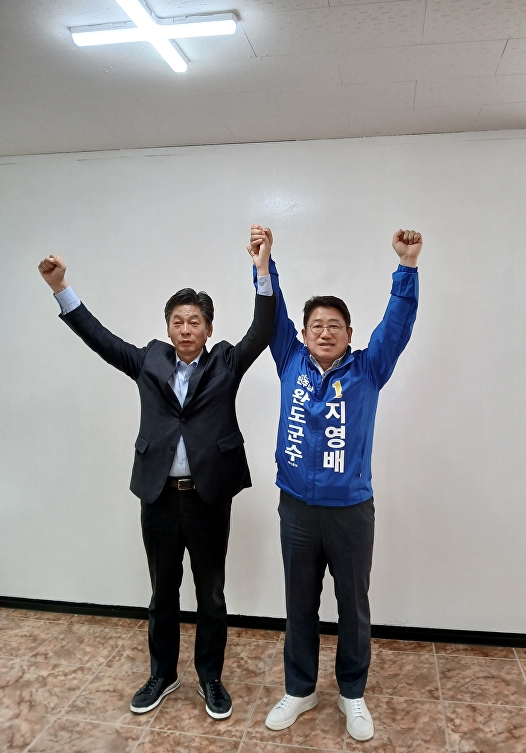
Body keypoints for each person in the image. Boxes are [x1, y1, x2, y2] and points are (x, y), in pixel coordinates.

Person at [38, 236, 275, 719]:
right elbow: (100, 339)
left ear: (209, 328)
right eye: (178, 321)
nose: (186, 329)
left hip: (209, 497)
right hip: (159, 496)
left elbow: (264, 329)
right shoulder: (150, 359)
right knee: (162, 592)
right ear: (168, 327)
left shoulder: (226, 361)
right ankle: (162, 674)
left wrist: (263, 271)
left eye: (195, 321)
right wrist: (61, 288)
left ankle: (210, 677)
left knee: (211, 595)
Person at [248, 226, 421, 742]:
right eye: (317, 326)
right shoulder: (288, 359)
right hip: (297, 508)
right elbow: (272, 310)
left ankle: (352, 693)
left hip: (350, 510)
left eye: (335, 326)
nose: (325, 333)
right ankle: (300, 689)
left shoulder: (369, 369)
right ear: (303, 335)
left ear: (349, 333)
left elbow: (397, 325)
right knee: (299, 604)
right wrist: (263, 266)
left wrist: (407, 267)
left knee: (353, 606)